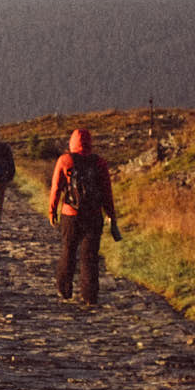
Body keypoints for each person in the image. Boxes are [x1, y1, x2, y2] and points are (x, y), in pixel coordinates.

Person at [46, 127, 120, 307]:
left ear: (72, 142)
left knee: (68, 251)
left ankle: (64, 290)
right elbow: (106, 192)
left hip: (70, 214)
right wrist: (111, 214)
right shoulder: (99, 163)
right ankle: (89, 295)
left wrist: (52, 210)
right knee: (90, 256)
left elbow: (56, 188)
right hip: (94, 215)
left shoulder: (65, 160)